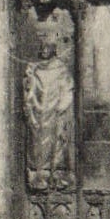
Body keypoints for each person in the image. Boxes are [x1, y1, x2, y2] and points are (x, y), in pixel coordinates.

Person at [23, 12, 75, 191]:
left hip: (54, 114)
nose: (44, 48)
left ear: (55, 48)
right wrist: (29, 86)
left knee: (57, 142)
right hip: (38, 115)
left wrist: (61, 108)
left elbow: (67, 91)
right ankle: (37, 175)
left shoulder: (61, 70)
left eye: (48, 46)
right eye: (42, 45)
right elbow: (30, 92)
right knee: (37, 143)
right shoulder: (34, 69)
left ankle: (56, 174)